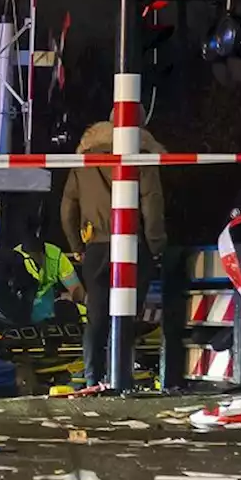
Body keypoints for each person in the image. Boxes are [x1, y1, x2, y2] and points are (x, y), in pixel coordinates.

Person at [61, 121, 166, 388]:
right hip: (132, 246)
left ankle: (92, 378)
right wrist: (156, 246)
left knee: (96, 315)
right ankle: (121, 376)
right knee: (127, 314)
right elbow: (152, 204)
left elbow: (67, 208)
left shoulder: (84, 161)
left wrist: (77, 247)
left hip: (95, 246)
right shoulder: (140, 156)